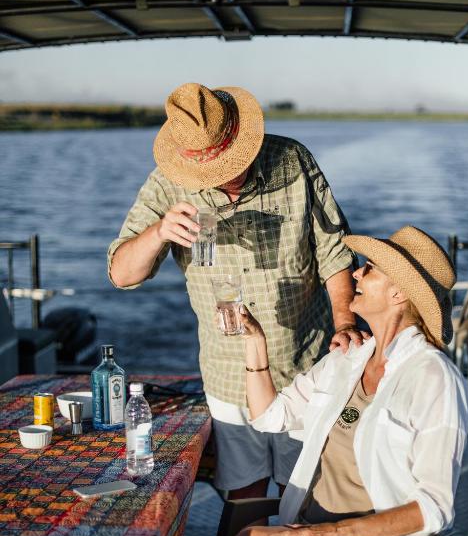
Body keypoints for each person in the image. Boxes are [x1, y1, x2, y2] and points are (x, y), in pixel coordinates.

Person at [187, 225, 468, 536]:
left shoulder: (434, 379)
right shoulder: (350, 358)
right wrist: (255, 344)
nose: (355, 274)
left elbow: (435, 507)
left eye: (370, 269)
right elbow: (270, 416)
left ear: (399, 293)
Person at [108, 82, 367, 500]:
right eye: (211, 172)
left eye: (231, 162)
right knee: (244, 495)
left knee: (303, 494)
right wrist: (158, 232)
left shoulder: (293, 159)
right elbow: (122, 275)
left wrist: (345, 323)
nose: (224, 176)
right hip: (229, 373)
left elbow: (334, 251)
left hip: (306, 364)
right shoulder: (167, 183)